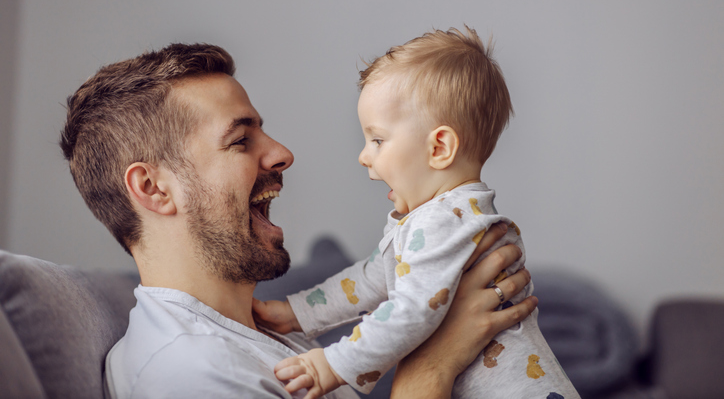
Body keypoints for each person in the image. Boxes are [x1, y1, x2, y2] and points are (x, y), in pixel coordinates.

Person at [59, 43, 538, 398]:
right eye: (240, 141)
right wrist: (433, 364)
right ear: (153, 188)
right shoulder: (187, 374)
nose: (283, 153)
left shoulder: (260, 333)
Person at [254, 27, 578, 398]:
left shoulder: (445, 220)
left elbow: (410, 313)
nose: (364, 156)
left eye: (377, 140)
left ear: (439, 147)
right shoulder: (436, 219)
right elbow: (369, 279)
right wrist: (296, 313)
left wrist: (334, 364)